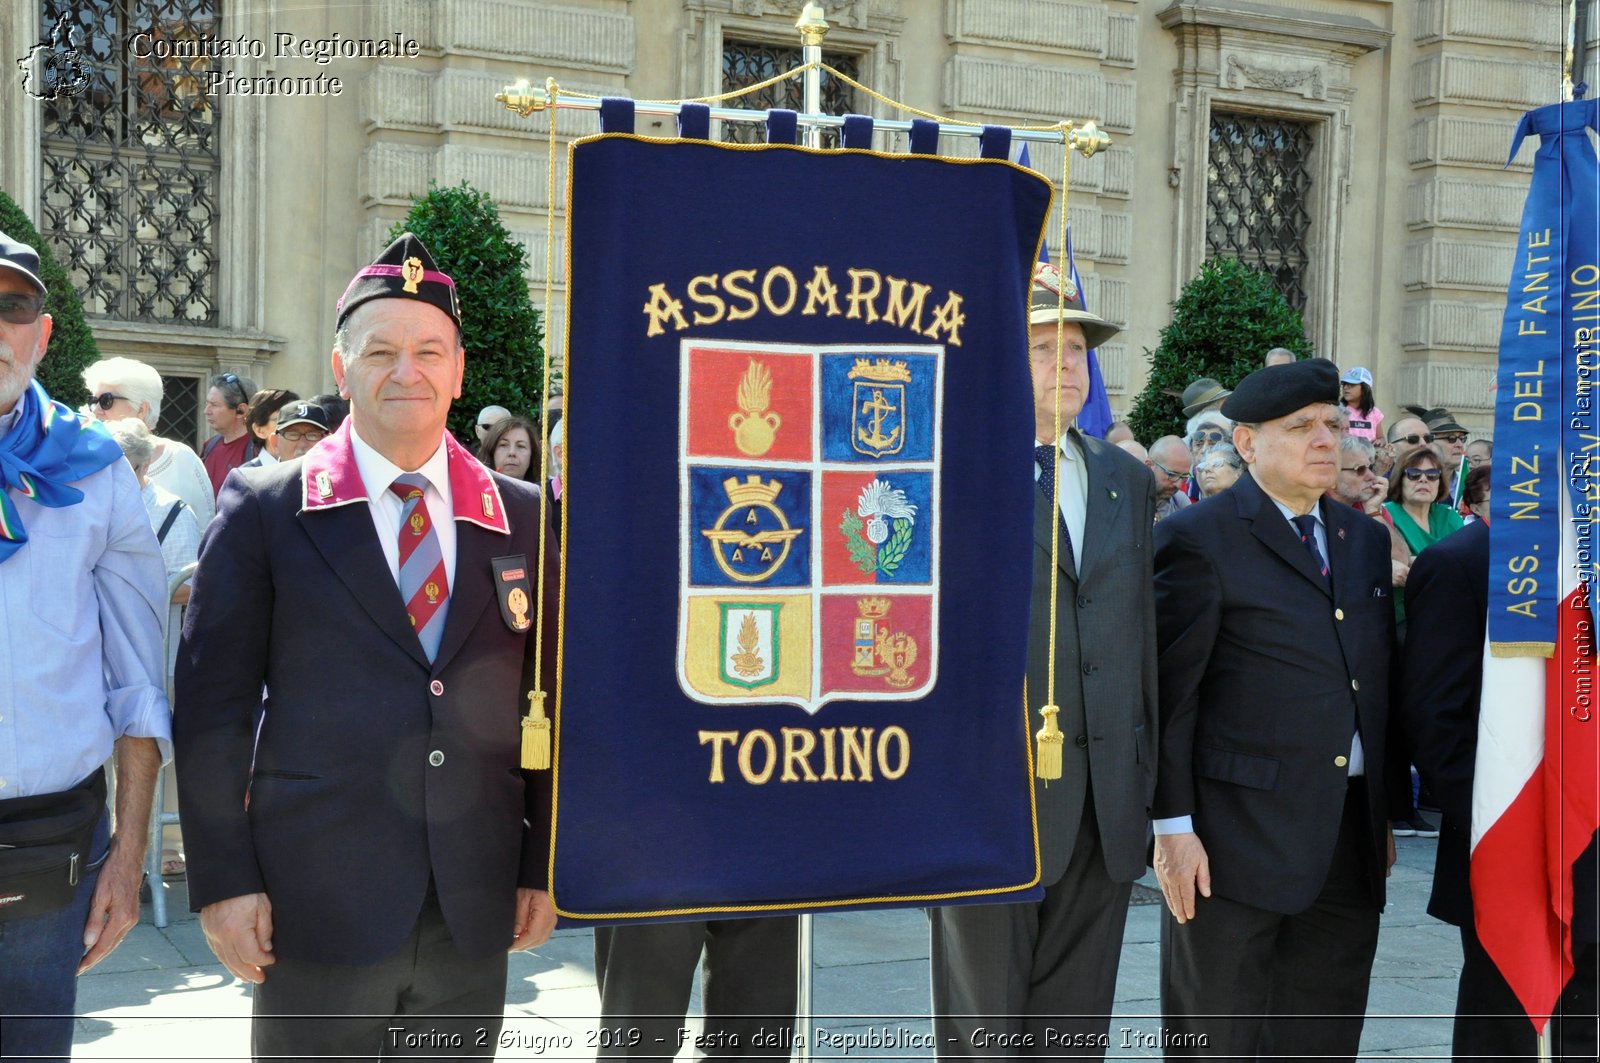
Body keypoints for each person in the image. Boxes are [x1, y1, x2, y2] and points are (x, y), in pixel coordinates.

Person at [174, 233, 558, 1058]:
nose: (405, 371)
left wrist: (542, 861)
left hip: (471, 903)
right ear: (343, 367)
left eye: (428, 351)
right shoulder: (266, 505)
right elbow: (213, 708)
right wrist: (225, 881)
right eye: (380, 351)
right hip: (314, 904)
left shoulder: (523, 514)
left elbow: (549, 701)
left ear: (458, 369)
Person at [928, 260, 1157, 1057]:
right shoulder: (950, 468)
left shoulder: (1127, 478)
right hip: (991, 795)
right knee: (983, 1025)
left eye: (1077, 350)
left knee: (1073, 1030)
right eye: (1041, 349)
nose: (1066, 364)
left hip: (1103, 801)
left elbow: (1137, 639)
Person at [1152, 359, 1398, 1060]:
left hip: (1346, 840)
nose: (1327, 439)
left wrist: (1377, 807)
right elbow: (1172, 697)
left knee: (1322, 1035)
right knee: (1218, 1034)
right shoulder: (1199, 538)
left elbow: (1370, 679)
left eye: (1334, 423)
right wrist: (1172, 829)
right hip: (1232, 843)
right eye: (1302, 427)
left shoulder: (1364, 540)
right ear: (1249, 442)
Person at [0, 231, 170, 1058]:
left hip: (47, 849)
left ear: (43, 333)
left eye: (13, 306)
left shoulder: (96, 469)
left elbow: (139, 680)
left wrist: (129, 851)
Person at [1400, 510, 1598, 1061]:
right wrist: (1511, 825)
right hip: (1512, 849)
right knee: (1509, 1035)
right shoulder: (1462, 562)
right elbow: (1436, 720)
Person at [105, 415, 200, 877]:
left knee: (162, 748)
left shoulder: (173, 510)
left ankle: (166, 849)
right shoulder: (90, 503)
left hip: (161, 653)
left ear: (143, 468)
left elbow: (190, 583)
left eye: (123, 466)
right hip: (103, 657)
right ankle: (107, 841)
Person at [83, 356, 215, 524]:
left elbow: (205, 527)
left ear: (142, 409)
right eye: (93, 401)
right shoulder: (84, 457)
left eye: (106, 401)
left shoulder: (181, 459)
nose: (96, 410)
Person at [1382, 444, 1464, 631]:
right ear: (1399, 479)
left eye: (1432, 475)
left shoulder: (1450, 517)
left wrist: (1413, 562)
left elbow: (1464, 566)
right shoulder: (1384, 514)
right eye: (1414, 474)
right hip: (1401, 621)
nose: (1423, 480)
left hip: (1448, 614)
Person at [199, 371, 256, 497]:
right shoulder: (209, 446)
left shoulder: (257, 450)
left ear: (241, 410)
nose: (206, 411)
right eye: (207, 403)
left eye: (214, 405)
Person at [238, 388, 299, 469]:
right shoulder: (245, 476)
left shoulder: (311, 470)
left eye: (297, 419)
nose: (294, 425)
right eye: (283, 419)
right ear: (259, 430)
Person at [478, 413, 536, 481]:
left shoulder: (544, 490)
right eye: (503, 445)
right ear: (492, 451)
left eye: (521, 446)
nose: (512, 452)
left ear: (532, 454)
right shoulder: (474, 489)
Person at [1148, 434, 1193, 520]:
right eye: (1172, 475)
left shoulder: (1179, 501)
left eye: (1183, 476)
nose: (1179, 485)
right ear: (1149, 466)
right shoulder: (1127, 503)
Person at [1339, 367, 1384, 444]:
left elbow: (1381, 438)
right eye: (1344, 384)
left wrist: (1380, 441)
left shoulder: (1375, 413)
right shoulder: (1338, 411)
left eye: (1351, 384)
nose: (1345, 388)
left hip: (1369, 455)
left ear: (1365, 388)